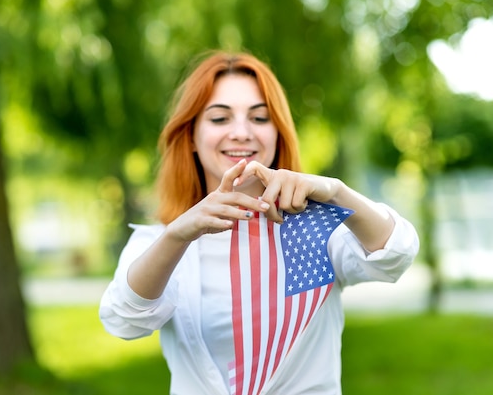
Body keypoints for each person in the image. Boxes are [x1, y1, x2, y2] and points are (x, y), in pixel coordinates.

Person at [99, 50, 419, 395]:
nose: (241, 133)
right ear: (191, 136)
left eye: (260, 118)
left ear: (278, 132)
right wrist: (179, 233)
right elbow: (124, 319)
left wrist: (336, 191)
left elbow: (396, 254)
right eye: (220, 119)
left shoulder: (314, 226)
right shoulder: (163, 240)